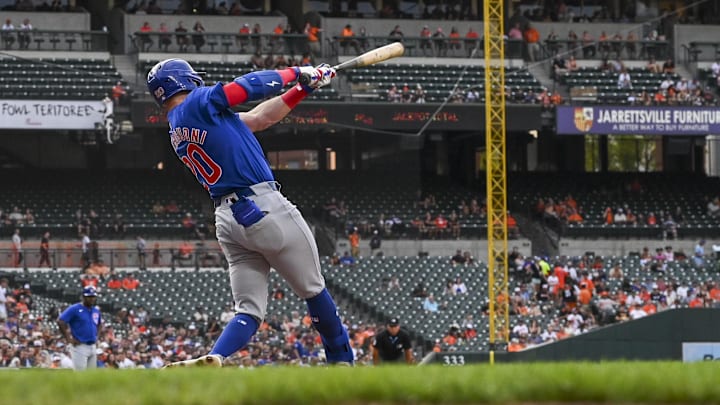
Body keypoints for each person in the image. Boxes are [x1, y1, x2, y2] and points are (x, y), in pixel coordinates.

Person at [146, 58, 353, 367]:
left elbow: (259, 118)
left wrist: (302, 89)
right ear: (185, 80)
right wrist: (297, 71)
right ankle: (342, 363)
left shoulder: (178, 125)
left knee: (249, 310)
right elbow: (246, 86)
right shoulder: (199, 102)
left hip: (227, 220)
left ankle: (216, 356)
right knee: (314, 290)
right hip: (261, 205)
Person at [56, 286, 102, 371]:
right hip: (80, 346)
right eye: (89, 297)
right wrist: (68, 338)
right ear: (83, 297)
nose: (91, 299)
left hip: (92, 345)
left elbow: (99, 324)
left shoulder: (96, 310)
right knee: (80, 374)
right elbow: (60, 321)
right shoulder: (75, 308)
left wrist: (97, 337)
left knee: (91, 375)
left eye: (93, 297)